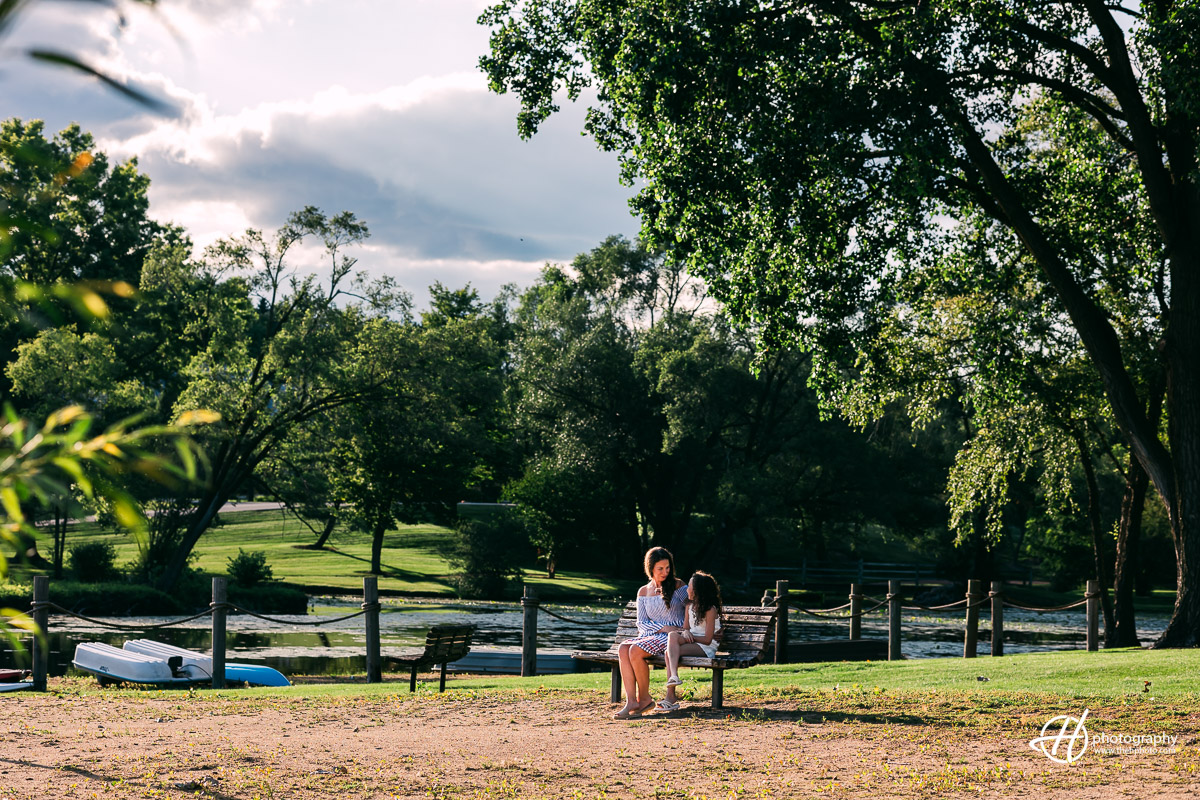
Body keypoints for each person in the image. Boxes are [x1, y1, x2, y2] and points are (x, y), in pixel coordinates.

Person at [613, 547, 689, 719]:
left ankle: (644, 699)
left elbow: (693, 606)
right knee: (623, 649)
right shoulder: (643, 591)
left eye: (667, 568)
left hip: (672, 637)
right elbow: (641, 623)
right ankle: (632, 701)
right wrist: (662, 628)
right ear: (651, 568)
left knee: (635, 650)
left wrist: (683, 629)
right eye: (660, 569)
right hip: (654, 634)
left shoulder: (678, 586)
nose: (665, 572)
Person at [658, 570, 724, 710]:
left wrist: (690, 636)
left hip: (706, 647)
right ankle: (673, 682)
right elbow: (685, 628)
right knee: (672, 637)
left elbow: (707, 639)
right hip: (693, 641)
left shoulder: (710, 610)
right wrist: (686, 632)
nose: (687, 589)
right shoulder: (689, 606)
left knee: (668, 653)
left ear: (698, 590)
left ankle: (670, 697)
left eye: (689, 586)